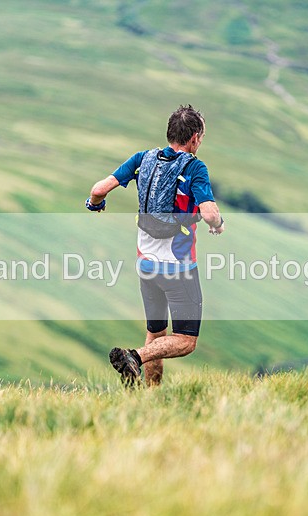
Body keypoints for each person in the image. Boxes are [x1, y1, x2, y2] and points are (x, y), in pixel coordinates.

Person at [86, 105, 225, 386]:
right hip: (178, 269)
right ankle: (133, 357)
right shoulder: (195, 167)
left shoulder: (143, 159)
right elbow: (209, 213)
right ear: (195, 138)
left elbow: (98, 190)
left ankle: (150, 397)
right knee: (186, 341)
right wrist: (217, 223)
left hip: (146, 266)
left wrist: (95, 205)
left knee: (156, 335)